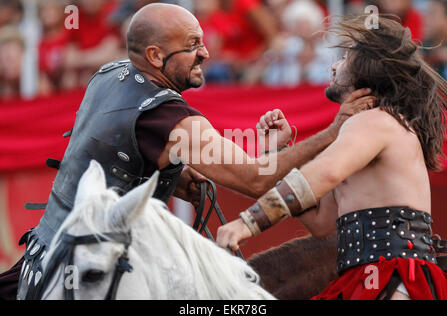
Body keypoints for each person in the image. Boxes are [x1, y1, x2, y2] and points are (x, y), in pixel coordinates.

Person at [0, 3, 372, 300]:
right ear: (155, 55)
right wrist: (333, 130)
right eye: (192, 45)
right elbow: (257, 178)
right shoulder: (168, 119)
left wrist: (170, 175)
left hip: (43, 258)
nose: (206, 53)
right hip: (90, 277)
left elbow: (106, 148)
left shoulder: (110, 73)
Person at [216, 15, 447, 300]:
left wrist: (246, 223)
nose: (334, 66)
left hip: (393, 279)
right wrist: (276, 152)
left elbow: (323, 175)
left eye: (344, 58)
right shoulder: (366, 129)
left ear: (365, 69)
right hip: (374, 276)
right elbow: (322, 222)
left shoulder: (376, 120)